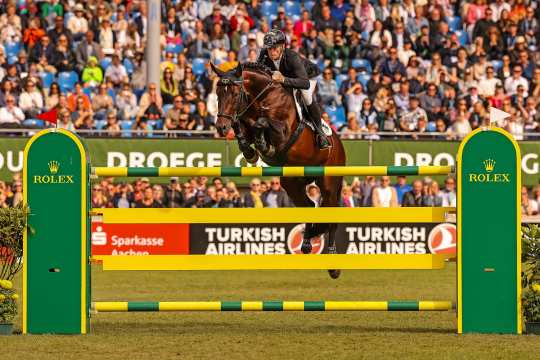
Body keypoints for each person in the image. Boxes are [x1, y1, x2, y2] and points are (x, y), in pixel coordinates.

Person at [256, 29, 329, 149]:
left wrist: (283, 80)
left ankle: (320, 132)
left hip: (306, 76)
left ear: (282, 46)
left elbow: (304, 83)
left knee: (306, 96)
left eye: (275, 47)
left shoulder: (292, 56)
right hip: (285, 78)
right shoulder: (264, 54)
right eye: (269, 48)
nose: (272, 51)